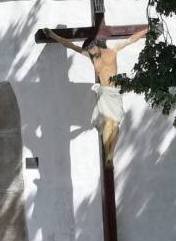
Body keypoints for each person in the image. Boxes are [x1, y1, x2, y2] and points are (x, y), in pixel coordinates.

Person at [43, 27, 149, 166]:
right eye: (89, 52)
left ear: (95, 46)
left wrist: (148, 29)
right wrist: (53, 35)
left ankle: (111, 154)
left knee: (115, 124)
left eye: (91, 50)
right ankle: (108, 155)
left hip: (115, 91)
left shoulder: (113, 50)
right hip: (104, 92)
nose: (91, 54)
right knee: (107, 123)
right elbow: (70, 45)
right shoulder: (92, 57)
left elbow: (131, 40)